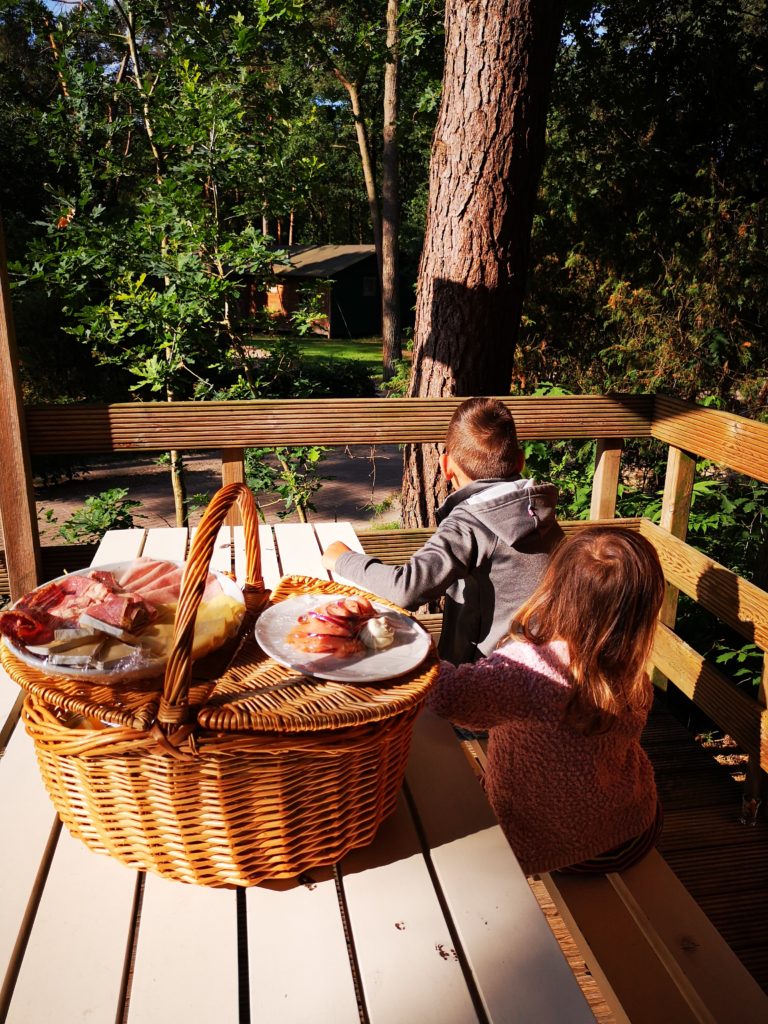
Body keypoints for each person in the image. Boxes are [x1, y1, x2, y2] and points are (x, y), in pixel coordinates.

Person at [426, 526, 666, 876]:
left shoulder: (532, 668)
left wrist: (415, 646)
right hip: (634, 827)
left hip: (555, 844)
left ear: (556, 586)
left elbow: (447, 696)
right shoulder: (629, 666)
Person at [321, 396, 562, 664]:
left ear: (446, 466)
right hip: (546, 659)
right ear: (520, 461)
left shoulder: (471, 523)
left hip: (489, 674)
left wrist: (342, 558)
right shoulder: (538, 510)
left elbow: (405, 589)